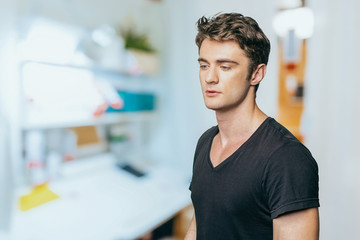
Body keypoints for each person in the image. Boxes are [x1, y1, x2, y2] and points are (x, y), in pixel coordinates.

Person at [185, 13, 319, 240]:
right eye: (204, 65)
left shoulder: (286, 158)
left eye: (225, 67)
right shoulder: (206, 142)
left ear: (256, 74)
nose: (210, 77)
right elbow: (200, 224)